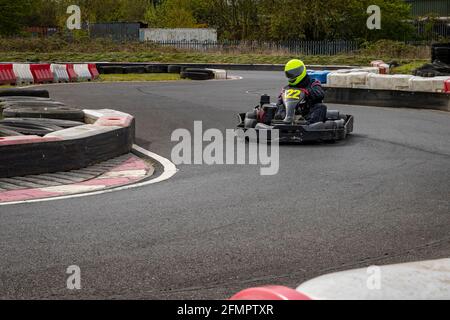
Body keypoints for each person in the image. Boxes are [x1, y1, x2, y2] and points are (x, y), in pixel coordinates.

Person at [275, 59, 327, 124]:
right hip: (291, 114)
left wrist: (307, 92)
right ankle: (282, 121)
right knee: (277, 107)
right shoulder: (287, 88)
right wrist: (281, 97)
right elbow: (279, 103)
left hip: (308, 113)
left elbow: (320, 94)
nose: (292, 75)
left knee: (321, 107)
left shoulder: (313, 83)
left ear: (301, 71)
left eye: (294, 72)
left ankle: (310, 126)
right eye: (290, 74)